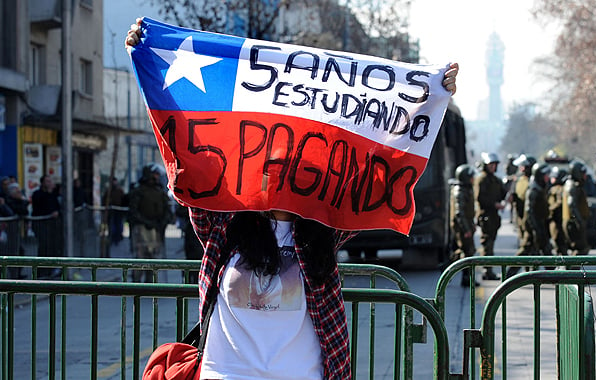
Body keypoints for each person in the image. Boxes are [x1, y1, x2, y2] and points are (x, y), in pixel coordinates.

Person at [126, 18, 459, 379]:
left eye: (291, 168)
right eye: (271, 166)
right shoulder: (225, 224)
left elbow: (373, 170)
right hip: (225, 372)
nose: (280, 176)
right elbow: (193, 162)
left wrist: (429, 97)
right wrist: (148, 55)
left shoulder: (324, 230)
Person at [127, 164, 173, 283]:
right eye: (154, 175)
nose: (156, 177)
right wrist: (145, 222)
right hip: (141, 228)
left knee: (153, 257)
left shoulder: (160, 191)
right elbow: (133, 210)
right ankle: (136, 282)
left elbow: (167, 210)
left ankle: (150, 281)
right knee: (140, 257)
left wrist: (162, 223)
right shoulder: (139, 191)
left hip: (156, 228)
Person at [507, 163, 553, 277]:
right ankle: (508, 275)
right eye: (545, 175)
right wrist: (535, 229)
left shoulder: (541, 187)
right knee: (525, 251)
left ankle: (554, 275)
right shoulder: (533, 190)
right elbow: (529, 212)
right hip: (533, 226)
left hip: (539, 224)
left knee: (546, 249)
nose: (548, 177)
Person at [474, 152, 507, 281]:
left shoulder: (495, 180)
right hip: (485, 215)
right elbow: (480, 198)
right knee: (487, 244)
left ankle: (488, 270)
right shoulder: (481, 179)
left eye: (494, 165)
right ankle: (487, 270)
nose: (493, 167)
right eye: (490, 165)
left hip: (494, 216)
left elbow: (502, 192)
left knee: (491, 242)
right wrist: (495, 204)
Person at [449, 164, 477, 287]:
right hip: (461, 226)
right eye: (471, 177)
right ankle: (466, 278)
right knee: (468, 252)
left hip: (466, 224)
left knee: (466, 250)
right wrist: (466, 229)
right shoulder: (459, 192)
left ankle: (449, 267)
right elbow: (459, 213)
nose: (473, 179)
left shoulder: (466, 189)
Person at [31, 175, 63, 278]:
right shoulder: (37, 194)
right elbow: (39, 206)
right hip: (41, 225)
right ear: (43, 183)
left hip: (53, 226)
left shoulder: (53, 194)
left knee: (53, 247)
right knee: (44, 247)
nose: (50, 183)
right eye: (47, 181)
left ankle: (52, 269)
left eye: (50, 181)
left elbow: (57, 206)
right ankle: (41, 271)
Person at [562, 160, 590, 256]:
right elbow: (572, 205)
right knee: (581, 249)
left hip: (573, 222)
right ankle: (571, 271)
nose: (584, 176)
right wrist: (579, 222)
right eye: (582, 173)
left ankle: (572, 270)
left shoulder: (573, 185)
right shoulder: (572, 186)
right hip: (573, 223)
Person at [510, 154, 536, 248]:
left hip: (530, 216)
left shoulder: (534, 182)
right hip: (520, 216)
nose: (521, 168)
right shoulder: (518, 180)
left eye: (523, 166)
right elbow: (513, 195)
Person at [547, 167, 568, 256]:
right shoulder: (555, 188)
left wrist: (549, 210)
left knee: (559, 242)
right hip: (555, 219)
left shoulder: (559, 189)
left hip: (556, 220)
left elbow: (559, 203)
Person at [102, 177, 126, 245]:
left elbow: (123, 200)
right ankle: (112, 238)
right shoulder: (108, 191)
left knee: (118, 225)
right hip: (111, 212)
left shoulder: (119, 191)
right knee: (111, 225)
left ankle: (117, 238)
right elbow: (104, 200)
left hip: (118, 211)